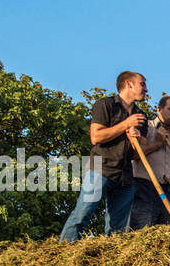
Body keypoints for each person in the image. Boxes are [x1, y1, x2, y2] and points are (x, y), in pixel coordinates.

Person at [59, 70, 148, 241]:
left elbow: (140, 153)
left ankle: (111, 262)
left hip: (125, 175)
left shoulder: (141, 116)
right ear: (128, 84)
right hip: (100, 169)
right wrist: (125, 124)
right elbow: (96, 137)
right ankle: (62, 252)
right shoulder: (105, 105)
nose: (146, 89)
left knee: (118, 228)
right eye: (142, 84)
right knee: (82, 215)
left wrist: (137, 139)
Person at [129, 94, 170, 230]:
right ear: (159, 109)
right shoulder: (145, 127)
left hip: (168, 190)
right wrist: (157, 144)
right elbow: (134, 154)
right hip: (143, 187)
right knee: (141, 232)